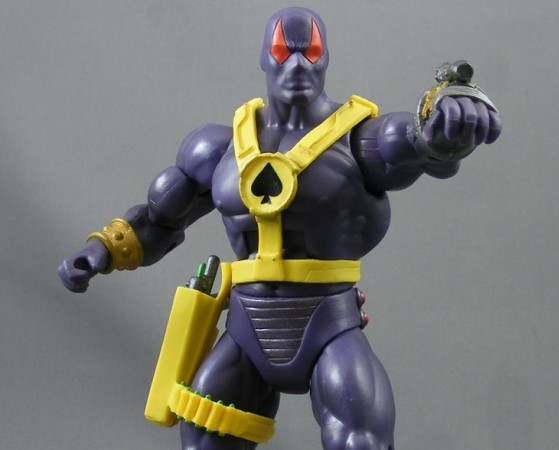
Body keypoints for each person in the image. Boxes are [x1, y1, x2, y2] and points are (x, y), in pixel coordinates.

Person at [58, 6, 501, 450]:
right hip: (246, 330)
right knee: (203, 442)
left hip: (329, 327)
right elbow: (159, 220)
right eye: (284, 52)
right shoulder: (218, 148)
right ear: (264, 58)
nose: (298, 65)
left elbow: (417, 142)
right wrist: (103, 251)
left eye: (311, 52)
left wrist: (448, 117)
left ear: (326, 58)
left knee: (360, 442)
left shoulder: (359, 138)